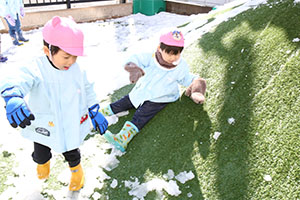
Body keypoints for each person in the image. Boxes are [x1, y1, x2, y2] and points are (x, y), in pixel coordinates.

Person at [0, 16, 108, 191]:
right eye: (66, 56)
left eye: (75, 57)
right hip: (44, 123)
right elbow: (19, 77)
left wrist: (94, 109)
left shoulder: (77, 70)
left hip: (70, 121)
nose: (71, 62)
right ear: (47, 50)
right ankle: (42, 164)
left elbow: (88, 89)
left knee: (72, 151)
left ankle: (76, 171)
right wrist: (12, 95)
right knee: (41, 152)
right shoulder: (36, 67)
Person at [101, 30, 206, 152]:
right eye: (169, 53)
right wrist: (134, 68)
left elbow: (186, 78)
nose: (173, 57)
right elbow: (135, 59)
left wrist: (196, 85)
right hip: (142, 90)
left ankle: (123, 138)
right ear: (160, 48)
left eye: (177, 54)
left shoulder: (180, 66)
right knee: (126, 101)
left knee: (141, 115)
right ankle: (103, 112)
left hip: (160, 98)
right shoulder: (150, 58)